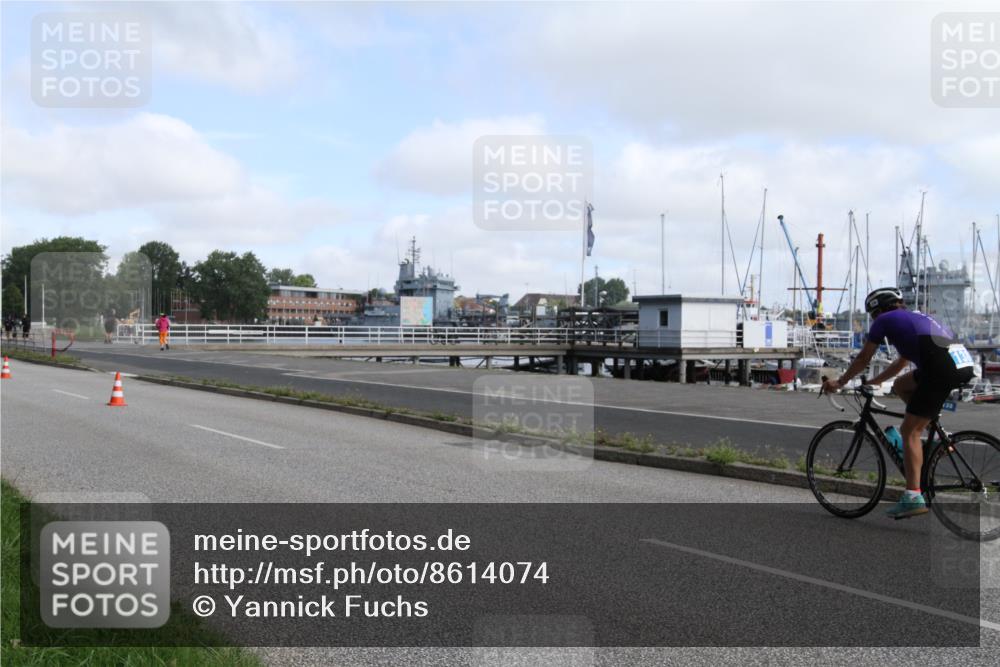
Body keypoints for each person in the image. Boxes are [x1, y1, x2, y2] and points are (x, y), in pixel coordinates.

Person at [822, 287, 975, 519]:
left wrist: (841, 381)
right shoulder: (911, 318)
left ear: (877, 310)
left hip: (940, 368)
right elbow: (901, 364)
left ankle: (913, 497)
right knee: (901, 386)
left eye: (873, 315)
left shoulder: (884, 320)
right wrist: (873, 382)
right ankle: (936, 438)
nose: (874, 320)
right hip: (959, 364)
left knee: (909, 431)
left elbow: (864, 358)